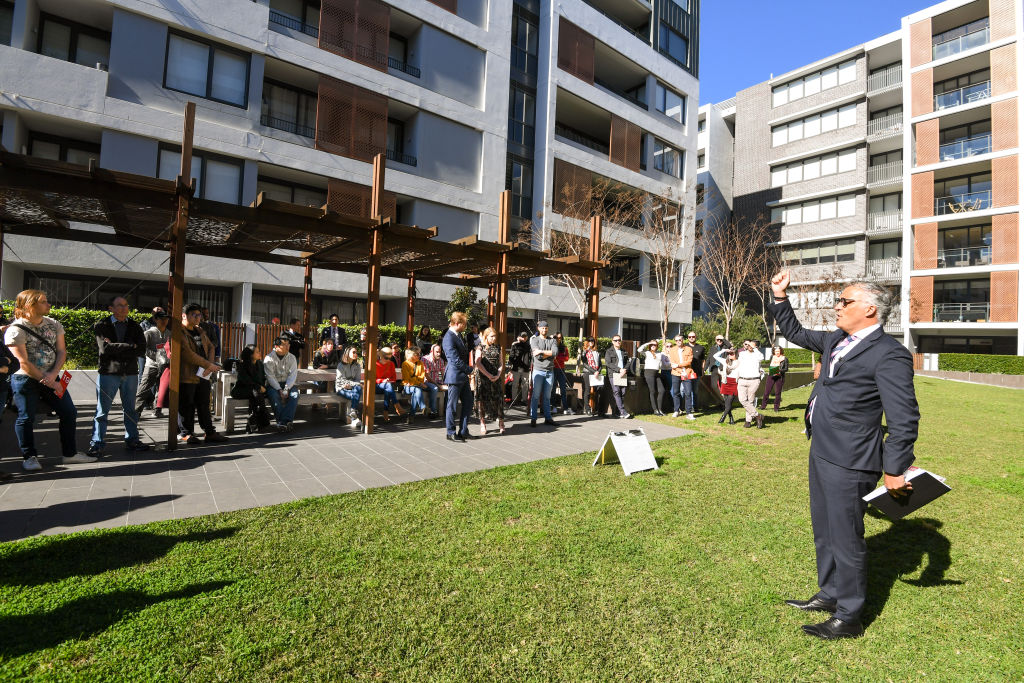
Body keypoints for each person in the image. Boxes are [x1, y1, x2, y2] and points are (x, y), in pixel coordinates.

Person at [770, 269, 919, 640]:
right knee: (825, 530)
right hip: (822, 450)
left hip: (852, 460)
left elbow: (904, 417)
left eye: (844, 300)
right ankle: (830, 592)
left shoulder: (890, 355)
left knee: (847, 538)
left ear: (870, 309)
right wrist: (779, 297)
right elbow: (796, 333)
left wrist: (895, 468)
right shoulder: (838, 338)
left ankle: (849, 616)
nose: (836, 306)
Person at [4, 289, 95, 471]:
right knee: (26, 417)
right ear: (30, 305)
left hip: (52, 376)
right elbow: (23, 362)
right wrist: (48, 380)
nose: (49, 304)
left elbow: (62, 351)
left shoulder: (54, 324)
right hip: (25, 379)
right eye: (44, 301)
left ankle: (70, 454)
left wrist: (53, 375)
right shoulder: (15, 330)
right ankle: (29, 457)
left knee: (69, 412)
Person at [89, 295, 150, 456]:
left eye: (126, 305)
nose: (124, 308)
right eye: (120, 305)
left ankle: (132, 440)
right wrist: (130, 345)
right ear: (111, 308)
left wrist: (117, 347)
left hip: (130, 373)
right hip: (108, 373)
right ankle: (97, 443)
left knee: (130, 409)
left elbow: (141, 350)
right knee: (102, 411)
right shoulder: (102, 325)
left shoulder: (135, 326)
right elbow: (105, 349)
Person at [175, 304, 226, 444]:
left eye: (199, 315)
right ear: (184, 315)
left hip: (203, 373)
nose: (198, 317)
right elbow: (187, 354)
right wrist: (208, 365)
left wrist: (208, 366)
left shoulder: (200, 330)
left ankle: (209, 432)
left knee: (204, 403)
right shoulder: (179, 332)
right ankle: (186, 433)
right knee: (187, 405)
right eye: (194, 315)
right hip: (187, 374)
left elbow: (211, 346)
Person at [442, 311, 473, 441]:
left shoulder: (459, 335)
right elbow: (453, 359)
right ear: (457, 323)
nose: (466, 326)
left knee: (468, 403)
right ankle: (450, 432)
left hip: (462, 375)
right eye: (464, 324)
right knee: (452, 405)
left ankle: (463, 430)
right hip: (454, 376)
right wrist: (469, 369)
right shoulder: (448, 337)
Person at [136, 308, 171, 418]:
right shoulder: (149, 333)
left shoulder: (170, 333)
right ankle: (135, 412)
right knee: (143, 388)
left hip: (165, 366)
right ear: (155, 319)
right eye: (161, 319)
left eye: (166, 319)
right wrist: (158, 356)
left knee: (162, 389)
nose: (164, 321)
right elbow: (142, 349)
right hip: (151, 365)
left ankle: (157, 410)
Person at [230, 344, 271, 433]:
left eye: (259, 351)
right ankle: (261, 417)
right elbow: (245, 380)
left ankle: (252, 422)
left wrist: (262, 387)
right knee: (256, 392)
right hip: (241, 390)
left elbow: (262, 378)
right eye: (257, 352)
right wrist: (259, 387)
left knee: (256, 394)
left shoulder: (260, 364)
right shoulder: (242, 365)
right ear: (251, 354)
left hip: (255, 391)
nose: (260, 353)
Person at [473, 326, 506, 435]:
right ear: (486, 336)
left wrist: (498, 375)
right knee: (482, 400)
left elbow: (501, 363)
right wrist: (488, 375)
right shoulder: (480, 347)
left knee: (498, 398)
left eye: (495, 336)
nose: (494, 338)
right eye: (492, 336)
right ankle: (482, 423)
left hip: (495, 377)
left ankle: (501, 422)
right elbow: (478, 363)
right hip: (483, 377)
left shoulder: (498, 347)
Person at [263, 336, 299, 432]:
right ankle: (286, 422)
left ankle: (283, 422)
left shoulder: (292, 357)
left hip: (289, 384)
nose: (287, 347)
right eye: (284, 344)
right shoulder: (268, 358)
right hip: (274, 385)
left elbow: (293, 375)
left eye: (288, 344)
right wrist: (279, 389)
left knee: (294, 395)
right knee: (274, 396)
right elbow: (270, 377)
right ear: (276, 346)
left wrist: (286, 389)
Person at [529, 320, 558, 428]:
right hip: (538, 371)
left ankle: (548, 418)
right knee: (535, 396)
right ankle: (533, 418)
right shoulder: (534, 340)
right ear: (538, 329)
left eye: (546, 328)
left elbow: (555, 353)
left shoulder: (553, 340)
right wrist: (548, 354)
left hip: (550, 371)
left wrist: (541, 352)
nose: (544, 329)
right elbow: (538, 357)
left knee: (547, 396)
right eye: (542, 328)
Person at [402, 347, 438, 423]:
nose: (419, 356)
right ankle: (423, 407)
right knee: (417, 389)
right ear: (411, 355)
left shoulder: (420, 363)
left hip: (419, 384)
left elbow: (422, 377)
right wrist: (418, 383)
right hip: (408, 386)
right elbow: (407, 379)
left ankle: (412, 415)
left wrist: (417, 381)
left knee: (430, 388)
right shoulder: (405, 364)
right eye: (417, 354)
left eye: (420, 354)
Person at [736, 339, 765, 429]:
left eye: (752, 345)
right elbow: (739, 365)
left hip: (754, 380)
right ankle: (757, 416)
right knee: (742, 400)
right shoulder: (742, 354)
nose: (749, 346)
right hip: (742, 379)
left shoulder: (758, 354)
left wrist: (754, 348)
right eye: (748, 345)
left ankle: (748, 421)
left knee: (751, 401)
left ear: (756, 347)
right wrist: (737, 378)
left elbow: (761, 358)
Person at [666, 335, 696, 420]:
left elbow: (689, 361)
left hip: (687, 373)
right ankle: (676, 410)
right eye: (676, 340)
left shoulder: (688, 349)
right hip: (676, 373)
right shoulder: (672, 350)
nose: (678, 341)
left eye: (680, 340)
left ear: (683, 340)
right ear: (675, 341)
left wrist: (679, 366)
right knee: (676, 392)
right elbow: (672, 363)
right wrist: (680, 371)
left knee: (688, 393)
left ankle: (689, 412)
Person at [638, 339, 669, 416]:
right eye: (652, 345)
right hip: (648, 373)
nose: (653, 346)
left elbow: (666, 359)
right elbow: (639, 349)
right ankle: (655, 410)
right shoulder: (647, 353)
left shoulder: (660, 353)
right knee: (652, 391)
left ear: (657, 346)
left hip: (656, 373)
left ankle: (660, 409)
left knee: (662, 390)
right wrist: (648, 342)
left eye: (655, 345)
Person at [603, 334, 631, 419]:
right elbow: (608, 363)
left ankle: (618, 412)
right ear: (612, 342)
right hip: (614, 374)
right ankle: (623, 411)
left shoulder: (623, 351)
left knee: (623, 393)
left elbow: (628, 362)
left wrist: (624, 370)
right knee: (616, 392)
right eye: (616, 340)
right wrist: (619, 370)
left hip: (623, 373)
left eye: (619, 340)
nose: (618, 342)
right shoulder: (609, 351)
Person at [335, 345, 363, 429]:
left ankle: (352, 412)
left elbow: (357, 380)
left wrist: (351, 385)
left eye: (356, 352)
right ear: (347, 353)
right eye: (353, 352)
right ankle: (353, 414)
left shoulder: (357, 366)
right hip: (341, 388)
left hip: (352, 388)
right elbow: (341, 380)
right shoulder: (341, 365)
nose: (355, 354)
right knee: (356, 394)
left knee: (358, 389)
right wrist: (353, 384)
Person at [712, 346, 740, 424]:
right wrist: (724, 350)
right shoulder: (725, 361)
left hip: (734, 383)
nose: (730, 355)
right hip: (725, 382)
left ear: (736, 354)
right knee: (727, 403)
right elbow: (715, 356)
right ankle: (731, 418)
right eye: (729, 353)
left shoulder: (739, 362)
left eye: (732, 353)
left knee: (729, 402)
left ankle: (723, 417)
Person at [374, 347, 404, 421]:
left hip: (388, 385)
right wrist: (382, 380)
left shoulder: (391, 364)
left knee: (388, 389)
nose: (388, 360)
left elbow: (394, 378)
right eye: (386, 358)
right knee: (388, 387)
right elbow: (373, 380)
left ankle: (386, 412)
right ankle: (397, 406)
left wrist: (388, 381)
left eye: (389, 358)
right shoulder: (375, 364)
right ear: (381, 356)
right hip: (377, 386)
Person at [578, 337, 603, 417]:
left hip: (596, 373)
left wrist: (598, 371)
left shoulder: (597, 352)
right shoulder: (585, 351)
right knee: (587, 391)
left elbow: (600, 364)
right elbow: (584, 363)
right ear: (587, 342)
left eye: (592, 341)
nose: (591, 342)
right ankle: (587, 409)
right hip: (588, 373)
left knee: (598, 390)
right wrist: (594, 371)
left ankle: (597, 409)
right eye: (589, 341)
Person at [507, 331, 531, 409]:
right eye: (522, 336)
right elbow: (511, 356)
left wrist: (529, 365)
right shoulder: (515, 345)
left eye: (525, 336)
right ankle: (514, 400)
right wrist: (514, 364)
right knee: (515, 384)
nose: (524, 338)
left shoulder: (529, 346)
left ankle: (524, 400)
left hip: (526, 368)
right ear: (519, 337)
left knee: (525, 385)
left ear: (527, 337)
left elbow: (531, 357)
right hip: (516, 368)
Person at [683, 331, 706, 413]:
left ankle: (695, 407)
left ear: (696, 337)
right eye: (689, 337)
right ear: (687, 338)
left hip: (697, 372)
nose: (691, 338)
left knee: (695, 391)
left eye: (693, 336)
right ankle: (685, 407)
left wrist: (703, 370)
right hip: (686, 372)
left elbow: (703, 360)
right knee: (685, 391)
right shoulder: (684, 347)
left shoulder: (701, 348)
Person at [551, 333, 574, 415]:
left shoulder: (564, 347)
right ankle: (554, 407)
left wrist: (558, 358)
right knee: (553, 388)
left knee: (563, 389)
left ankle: (565, 408)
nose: (558, 339)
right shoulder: (551, 346)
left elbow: (567, 358)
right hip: (553, 369)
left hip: (561, 369)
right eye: (556, 337)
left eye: (560, 338)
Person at [763, 346, 789, 412]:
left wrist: (779, 370)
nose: (777, 352)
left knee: (778, 393)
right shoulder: (772, 357)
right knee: (767, 391)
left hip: (779, 376)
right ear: (774, 351)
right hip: (771, 375)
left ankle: (776, 407)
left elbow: (786, 369)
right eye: (776, 351)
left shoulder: (784, 358)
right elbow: (770, 365)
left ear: (781, 351)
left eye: (778, 351)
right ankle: (763, 406)